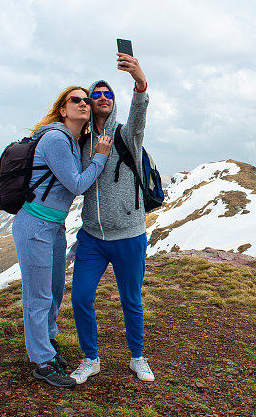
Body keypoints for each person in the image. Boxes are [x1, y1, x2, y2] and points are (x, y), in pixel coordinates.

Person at [11, 86, 113, 388]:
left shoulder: (70, 140)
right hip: (35, 227)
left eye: (86, 100)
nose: (82, 104)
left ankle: (48, 344)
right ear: (63, 109)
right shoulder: (56, 138)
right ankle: (42, 362)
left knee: (54, 290)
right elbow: (77, 184)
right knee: (38, 295)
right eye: (75, 100)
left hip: (52, 226)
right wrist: (100, 157)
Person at [70, 53, 154, 383]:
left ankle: (137, 356)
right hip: (92, 236)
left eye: (109, 94)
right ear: (90, 103)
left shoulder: (127, 134)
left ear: (113, 102)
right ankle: (90, 359)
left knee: (131, 300)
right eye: (97, 94)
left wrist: (139, 81)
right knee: (80, 298)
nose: (103, 98)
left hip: (129, 235)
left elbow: (140, 113)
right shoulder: (83, 142)